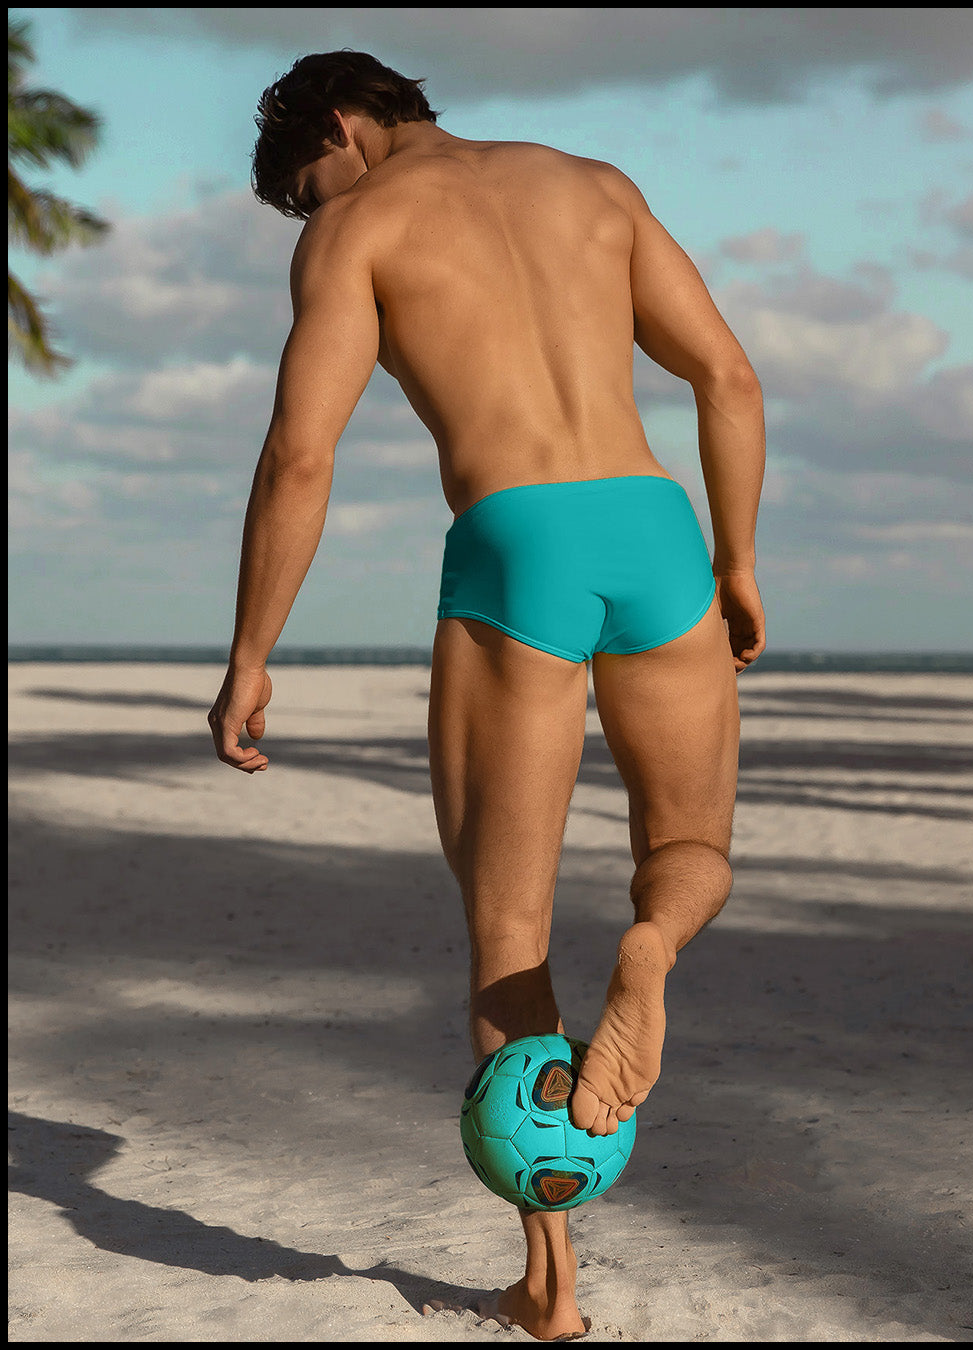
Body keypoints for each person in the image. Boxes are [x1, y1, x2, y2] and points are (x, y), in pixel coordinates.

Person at [207, 50, 766, 1342]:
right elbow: (728, 378)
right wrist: (734, 559)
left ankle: (553, 1286)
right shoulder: (595, 184)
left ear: (344, 127)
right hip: (657, 530)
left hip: (519, 541)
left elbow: (302, 452)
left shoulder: (361, 226)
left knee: (507, 928)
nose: (307, 212)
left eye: (303, 187)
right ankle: (655, 945)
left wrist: (251, 654)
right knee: (688, 850)